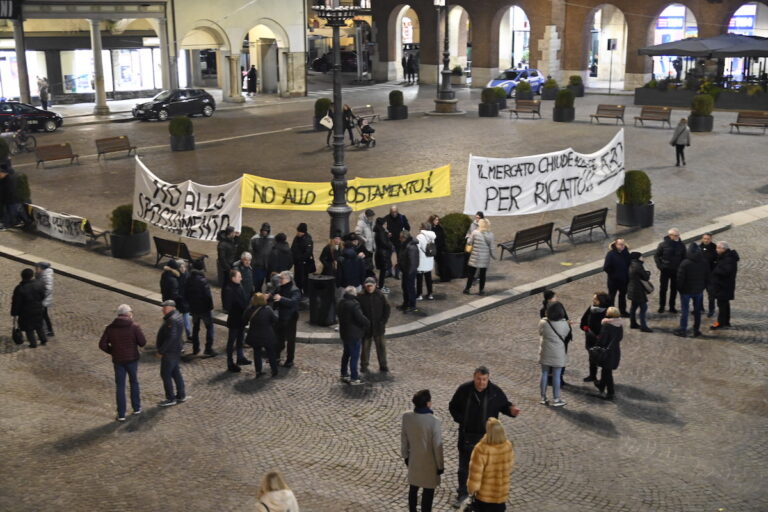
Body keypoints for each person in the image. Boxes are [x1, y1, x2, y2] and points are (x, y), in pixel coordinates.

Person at [448, 366, 519, 507]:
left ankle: (480, 496)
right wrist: (462, 420)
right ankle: (462, 494)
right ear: (474, 377)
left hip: (487, 439)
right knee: (464, 467)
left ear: (488, 378)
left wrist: (511, 410)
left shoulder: (495, 392)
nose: (481, 382)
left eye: (484, 379)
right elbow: (453, 406)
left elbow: (504, 405)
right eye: (479, 379)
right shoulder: (464, 390)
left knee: (485, 469)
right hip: (467, 436)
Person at [98, 304, 147, 421]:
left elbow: (102, 344)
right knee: (134, 382)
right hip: (132, 360)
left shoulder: (110, 328)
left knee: (120, 386)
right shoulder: (134, 326)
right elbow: (142, 342)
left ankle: (121, 414)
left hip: (118, 360)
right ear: (129, 314)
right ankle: (136, 408)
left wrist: (112, 351)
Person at [401, 389, 444, 512]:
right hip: (429, 464)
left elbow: (404, 438)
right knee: (428, 492)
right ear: (428, 403)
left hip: (414, 460)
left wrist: (405, 456)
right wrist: (440, 466)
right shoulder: (434, 421)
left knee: (413, 489)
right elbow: (437, 446)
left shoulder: (407, 417)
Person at [467, 418, 515, 512]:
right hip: (501, 495)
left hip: (484, 497)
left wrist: (472, 490)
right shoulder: (507, 446)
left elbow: (475, 475)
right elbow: (509, 466)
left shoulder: (481, 449)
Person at [156, 300, 188, 407]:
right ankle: (181, 395)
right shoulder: (178, 316)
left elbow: (171, 337)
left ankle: (170, 398)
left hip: (170, 352)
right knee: (176, 373)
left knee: (165, 375)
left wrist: (161, 351)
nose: (162, 309)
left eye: (165, 307)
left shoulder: (171, 320)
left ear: (171, 308)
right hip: (176, 351)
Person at [538, 302, 570, 407]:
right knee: (556, 375)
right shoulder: (564, 324)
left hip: (545, 351)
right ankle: (556, 399)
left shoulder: (543, 322)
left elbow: (540, 332)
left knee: (544, 373)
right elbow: (565, 335)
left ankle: (543, 397)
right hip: (558, 353)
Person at [674, 243, 710, 338]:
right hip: (698, 291)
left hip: (686, 291)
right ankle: (696, 330)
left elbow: (680, 279)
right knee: (697, 311)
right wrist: (702, 287)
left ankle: (683, 329)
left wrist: (680, 289)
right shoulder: (704, 262)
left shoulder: (685, 263)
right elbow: (707, 277)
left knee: (685, 311)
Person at [337, 286, 369, 385]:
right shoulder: (354, 305)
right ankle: (354, 377)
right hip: (354, 334)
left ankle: (344, 373)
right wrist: (367, 323)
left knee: (346, 354)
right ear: (353, 294)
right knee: (354, 356)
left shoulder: (341, 302)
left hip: (344, 333)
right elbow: (360, 318)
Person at [358, 277, 391, 373]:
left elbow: (387, 309)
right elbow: (358, 312)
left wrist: (383, 322)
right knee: (365, 348)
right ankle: (364, 365)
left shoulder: (380, 295)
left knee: (381, 347)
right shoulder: (360, 296)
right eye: (367, 286)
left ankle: (383, 365)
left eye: (371, 286)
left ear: (375, 286)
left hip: (378, 327)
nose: (369, 288)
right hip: (366, 328)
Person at [184, 259, 217, 356]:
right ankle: (208, 348)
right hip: (204, 309)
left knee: (195, 328)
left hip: (194, 309)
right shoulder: (202, 280)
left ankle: (195, 348)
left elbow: (186, 294)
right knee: (210, 327)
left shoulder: (189, 278)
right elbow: (207, 296)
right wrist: (210, 307)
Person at [243, 293, 279, 378]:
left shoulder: (250, 310)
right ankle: (274, 370)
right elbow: (275, 320)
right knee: (271, 353)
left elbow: (244, 319)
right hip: (267, 335)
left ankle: (258, 371)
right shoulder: (268, 309)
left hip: (255, 335)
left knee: (257, 353)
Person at [222, 269, 252, 372]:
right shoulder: (229, 289)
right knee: (231, 342)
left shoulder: (239, 285)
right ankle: (230, 363)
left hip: (241, 319)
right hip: (235, 320)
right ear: (233, 278)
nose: (241, 278)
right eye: (239, 276)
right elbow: (227, 305)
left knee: (240, 340)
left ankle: (240, 358)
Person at [591, 307, 623, 400]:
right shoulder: (619, 325)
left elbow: (602, 340)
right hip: (615, 351)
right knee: (606, 371)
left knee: (607, 372)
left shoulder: (607, 325)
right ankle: (601, 385)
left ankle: (610, 392)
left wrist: (596, 344)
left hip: (606, 352)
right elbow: (619, 338)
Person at [11, 268, 47, 347]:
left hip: (26, 312)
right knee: (38, 325)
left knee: (29, 328)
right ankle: (43, 339)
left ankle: (33, 343)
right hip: (38, 308)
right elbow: (43, 295)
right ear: (32, 276)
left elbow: (16, 303)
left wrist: (14, 313)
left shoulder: (20, 288)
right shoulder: (39, 284)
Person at [579, 291, 610, 382]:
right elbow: (583, 320)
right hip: (590, 339)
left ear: (602, 301)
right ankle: (592, 376)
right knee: (592, 358)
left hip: (602, 341)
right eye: (594, 298)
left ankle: (604, 380)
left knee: (603, 360)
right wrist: (585, 328)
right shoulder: (591, 308)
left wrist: (602, 336)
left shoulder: (608, 311)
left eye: (596, 299)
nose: (593, 300)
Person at [273, 270, 301, 367]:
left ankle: (290, 360)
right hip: (281, 317)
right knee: (278, 338)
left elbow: (293, 302)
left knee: (290, 340)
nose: (280, 280)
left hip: (291, 318)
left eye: (282, 278)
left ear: (288, 279)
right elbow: (273, 294)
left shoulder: (295, 290)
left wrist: (281, 299)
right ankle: (276, 357)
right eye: (280, 278)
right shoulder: (280, 287)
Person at [654, 228, 685, 314]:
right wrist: (660, 266)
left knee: (674, 289)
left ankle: (672, 306)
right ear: (670, 236)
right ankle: (662, 306)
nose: (677, 237)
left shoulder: (681, 245)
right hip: (665, 270)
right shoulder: (662, 245)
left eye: (678, 235)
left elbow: (684, 257)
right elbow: (656, 256)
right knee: (663, 289)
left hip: (676, 270)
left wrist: (681, 268)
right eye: (675, 235)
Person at [710, 241, 739, 330]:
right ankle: (726, 322)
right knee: (725, 304)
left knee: (722, 305)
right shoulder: (726, 257)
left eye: (718, 248)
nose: (716, 250)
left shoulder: (728, 259)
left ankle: (720, 323)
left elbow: (726, 271)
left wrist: (714, 270)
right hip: (723, 285)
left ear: (724, 249)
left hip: (723, 286)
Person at [464, 218, 495, 296]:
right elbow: (492, 247)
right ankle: (481, 290)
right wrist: (493, 256)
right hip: (485, 258)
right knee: (482, 275)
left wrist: (468, 237)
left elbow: (469, 242)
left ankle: (467, 289)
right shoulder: (491, 235)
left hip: (475, 257)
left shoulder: (475, 232)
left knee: (471, 274)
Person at [603, 238, 631, 316]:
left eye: (623, 244)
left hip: (624, 280)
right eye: (620, 244)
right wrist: (614, 275)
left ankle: (623, 311)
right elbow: (606, 268)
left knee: (622, 297)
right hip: (613, 281)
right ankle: (611, 313)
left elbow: (629, 264)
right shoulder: (610, 254)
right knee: (611, 297)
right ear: (615, 245)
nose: (622, 246)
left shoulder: (626, 253)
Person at [627, 252, 653, 333]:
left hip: (632, 289)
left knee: (633, 307)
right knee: (643, 307)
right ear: (637, 258)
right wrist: (648, 273)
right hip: (638, 290)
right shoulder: (638, 266)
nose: (643, 258)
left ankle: (633, 323)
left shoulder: (631, 264)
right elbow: (645, 277)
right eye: (641, 256)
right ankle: (643, 326)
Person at [398, 230, 420, 313]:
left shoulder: (411, 247)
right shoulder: (405, 245)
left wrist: (409, 273)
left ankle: (412, 306)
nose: (399, 239)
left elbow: (413, 262)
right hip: (405, 271)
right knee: (405, 287)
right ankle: (406, 303)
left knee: (410, 288)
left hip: (409, 272)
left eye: (400, 237)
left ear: (404, 238)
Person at [386, 206, 410, 278]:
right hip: (390, 242)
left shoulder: (402, 217)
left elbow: (408, 228)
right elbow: (383, 228)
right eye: (392, 212)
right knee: (388, 257)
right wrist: (386, 233)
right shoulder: (387, 218)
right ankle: (389, 271)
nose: (394, 214)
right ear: (390, 212)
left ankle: (398, 273)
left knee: (400, 258)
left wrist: (403, 234)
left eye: (395, 212)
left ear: (397, 211)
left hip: (400, 242)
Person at [250, 223, 275, 293]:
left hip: (269, 266)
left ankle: (267, 298)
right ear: (261, 230)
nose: (264, 232)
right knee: (258, 284)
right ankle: (257, 298)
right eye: (263, 230)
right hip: (258, 265)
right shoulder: (254, 239)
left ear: (269, 231)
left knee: (269, 284)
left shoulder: (273, 239)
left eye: (266, 230)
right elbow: (250, 251)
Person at [291, 223, 314, 296]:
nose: (297, 233)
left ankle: (306, 294)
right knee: (297, 278)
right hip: (297, 263)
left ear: (303, 232)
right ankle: (298, 292)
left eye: (299, 231)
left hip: (304, 264)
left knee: (304, 279)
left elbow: (308, 253)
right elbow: (293, 248)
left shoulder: (308, 239)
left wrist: (299, 258)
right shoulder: (297, 238)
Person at [216, 226, 239, 296]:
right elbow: (222, 258)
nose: (235, 233)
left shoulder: (231, 240)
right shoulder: (222, 244)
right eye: (234, 232)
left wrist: (237, 238)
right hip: (226, 269)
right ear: (230, 233)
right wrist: (229, 269)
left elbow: (235, 246)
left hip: (231, 266)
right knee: (226, 285)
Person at [416, 222, 436, 301]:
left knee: (419, 279)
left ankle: (419, 294)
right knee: (428, 278)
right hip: (429, 260)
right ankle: (430, 294)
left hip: (421, 261)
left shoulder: (419, 237)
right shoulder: (432, 236)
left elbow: (417, 249)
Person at [699, 233, 718, 317]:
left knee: (711, 294)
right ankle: (700, 308)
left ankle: (711, 310)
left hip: (711, 276)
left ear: (711, 239)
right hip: (701, 275)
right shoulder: (698, 248)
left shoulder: (715, 248)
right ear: (702, 239)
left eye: (708, 239)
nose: (706, 240)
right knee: (699, 293)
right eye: (704, 238)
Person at [34, 262, 54, 337]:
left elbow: (48, 289)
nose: (36, 270)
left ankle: (48, 331)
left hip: (44, 300)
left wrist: (40, 297)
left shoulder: (47, 276)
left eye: (37, 268)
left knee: (43, 315)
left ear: (42, 268)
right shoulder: (41, 274)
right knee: (43, 315)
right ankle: (47, 330)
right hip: (42, 299)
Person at [429, 215, 449, 282]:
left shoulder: (440, 227)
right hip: (434, 249)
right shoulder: (431, 229)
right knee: (432, 263)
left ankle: (443, 277)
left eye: (438, 220)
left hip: (440, 249)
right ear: (432, 221)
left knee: (441, 264)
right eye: (435, 220)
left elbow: (443, 237)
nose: (437, 221)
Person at [177, 260, 192, 340]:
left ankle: (189, 335)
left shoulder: (187, 276)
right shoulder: (177, 276)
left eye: (183, 266)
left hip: (185, 302)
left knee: (186, 320)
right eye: (181, 267)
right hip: (180, 301)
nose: (182, 268)